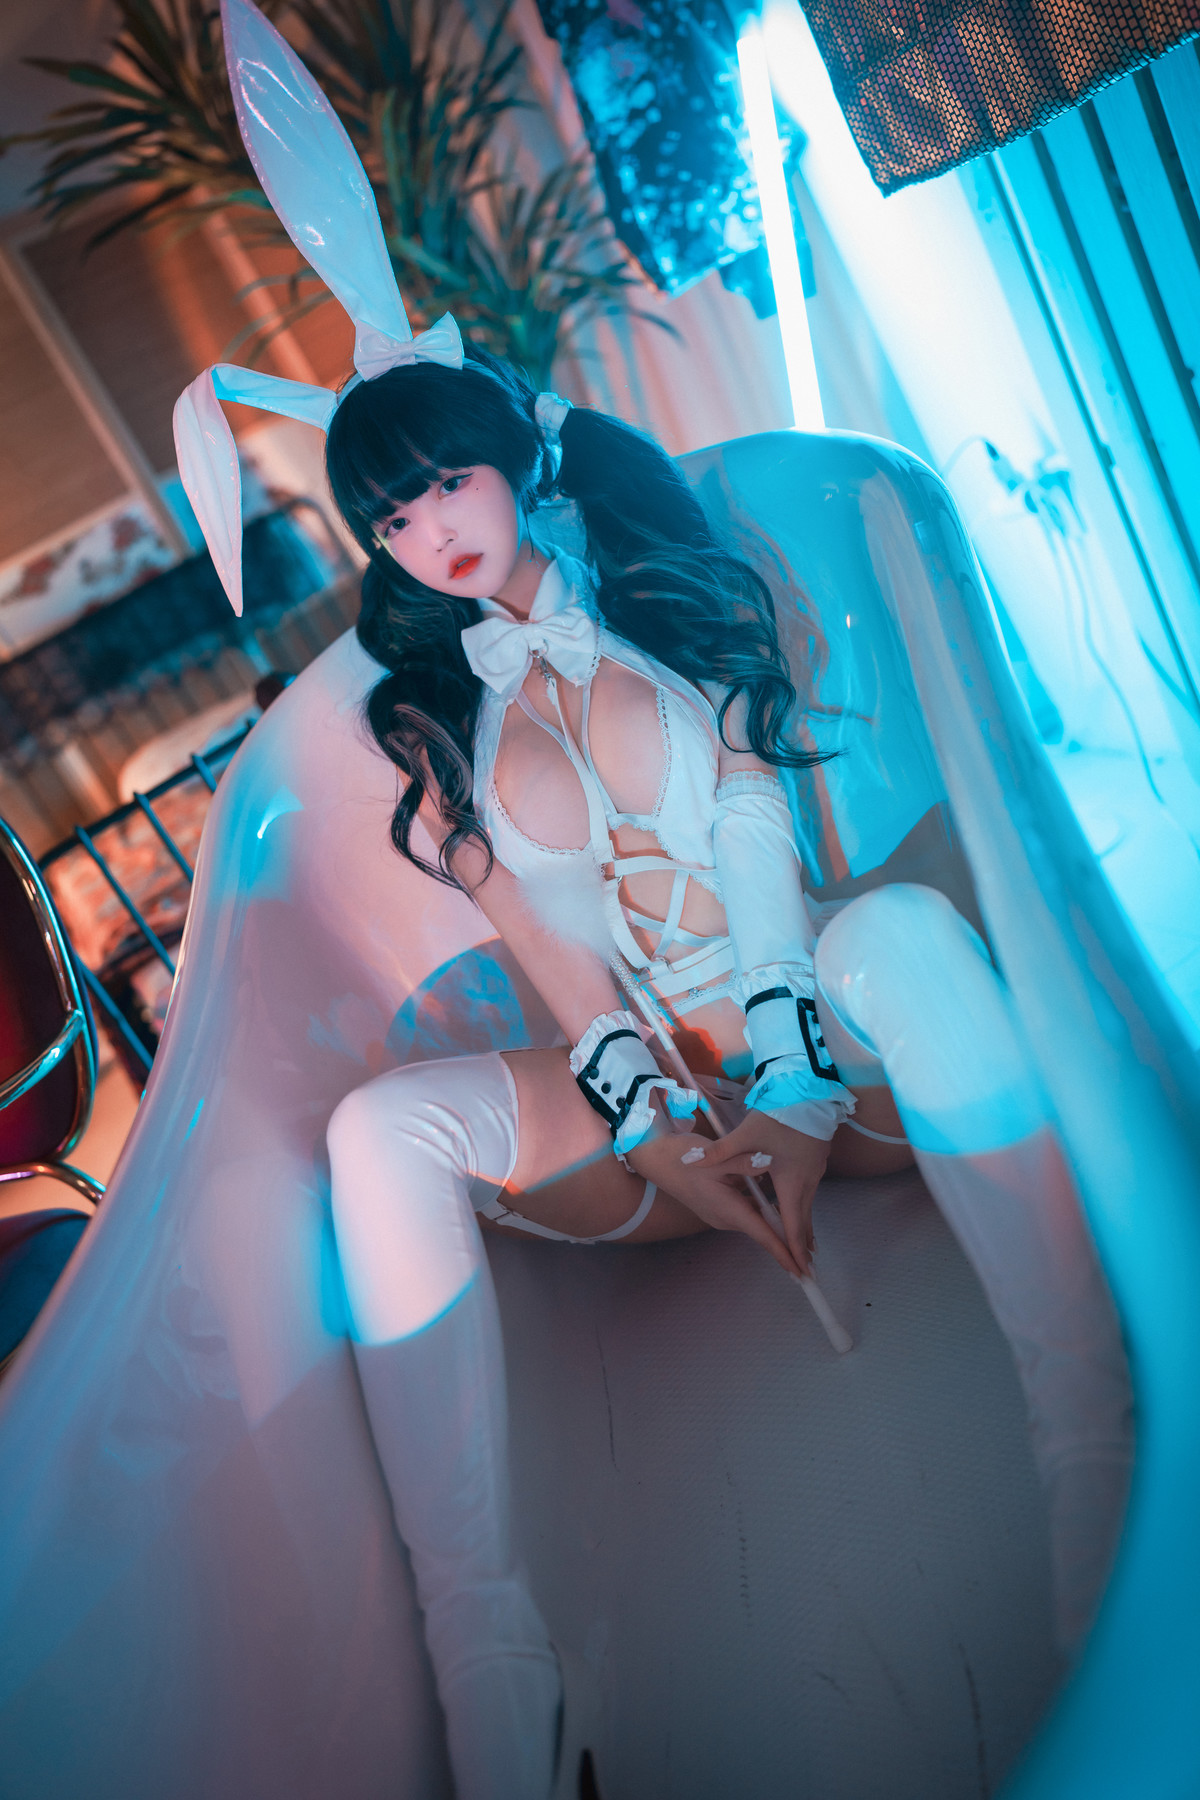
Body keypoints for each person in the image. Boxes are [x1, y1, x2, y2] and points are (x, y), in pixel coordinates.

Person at [173, 4, 1132, 1794]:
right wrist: (660, 1125)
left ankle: (1092, 1446)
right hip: (657, 1123)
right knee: (378, 1138)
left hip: (829, 1048)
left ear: (510, 453)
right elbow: (554, 956)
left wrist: (788, 1081)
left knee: (898, 935)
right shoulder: (435, 708)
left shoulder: (682, 581)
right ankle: (495, 1675)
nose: (431, 533)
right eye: (392, 522)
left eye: (443, 482)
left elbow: (761, 835)